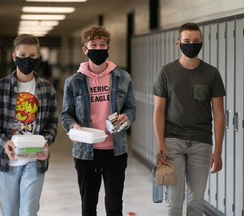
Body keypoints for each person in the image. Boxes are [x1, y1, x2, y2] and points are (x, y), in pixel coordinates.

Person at [61, 26, 136, 216]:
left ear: (108, 48)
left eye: (103, 45)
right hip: (86, 153)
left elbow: (131, 108)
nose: (98, 48)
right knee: (88, 206)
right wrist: (75, 127)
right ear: (85, 50)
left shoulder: (123, 77)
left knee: (114, 205)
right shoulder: (73, 82)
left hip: (115, 151)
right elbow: (66, 115)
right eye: (93, 45)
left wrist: (126, 117)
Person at [0, 34, 58, 216]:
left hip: (35, 160)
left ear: (38, 57)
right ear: (14, 56)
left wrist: (46, 141)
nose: (27, 60)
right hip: (7, 160)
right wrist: (3, 141)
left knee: (29, 210)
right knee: (10, 212)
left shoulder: (47, 89)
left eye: (32, 56)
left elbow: (52, 123)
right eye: (22, 55)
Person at [153, 22, 226, 216]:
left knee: (196, 201)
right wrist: (160, 144)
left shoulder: (211, 73)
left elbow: (219, 113)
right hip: (172, 141)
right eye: (186, 41)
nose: (191, 45)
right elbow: (159, 111)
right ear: (178, 43)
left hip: (201, 143)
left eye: (195, 41)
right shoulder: (166, 72)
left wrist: (218, 150)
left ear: (201, 43)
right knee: (174, 201)